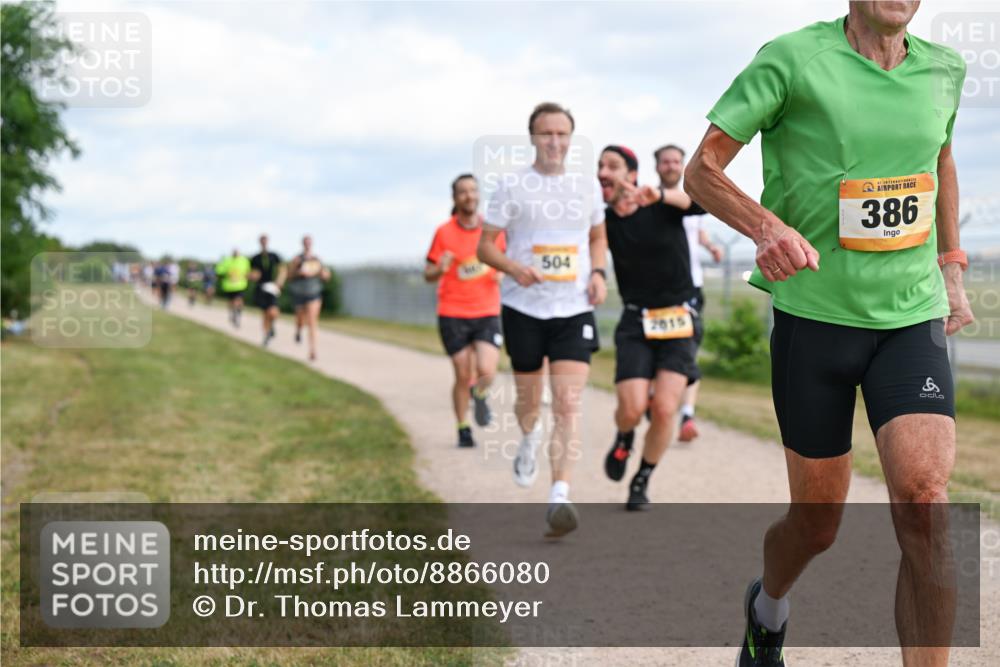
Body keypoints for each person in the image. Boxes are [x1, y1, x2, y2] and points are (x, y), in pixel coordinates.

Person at [684, 3, 971, 665]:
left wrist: (952, 267)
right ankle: (768, 604)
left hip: (909, 316)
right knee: (817, 523)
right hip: (814, 318)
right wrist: (766, 227)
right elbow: (701, 171)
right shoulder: (791, 59)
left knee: (926, 504)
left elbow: (942, 160)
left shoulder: (945, 71)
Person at [478, 102, 608, 538]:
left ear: (571, 138)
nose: (554, 141)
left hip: (572, 308)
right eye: (545, 133)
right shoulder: (512, 185)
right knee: (530, 402)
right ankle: (529, 437)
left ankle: (559, 495)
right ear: (532, 137)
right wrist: (514, 269)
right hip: (524, 307)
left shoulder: (586, 185)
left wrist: (597, 272)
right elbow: (485, 247)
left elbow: (597, 235)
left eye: (562, 133)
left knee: (568, 403)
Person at [599, 145, 704, 511]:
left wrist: (658, 194)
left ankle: (642, 478)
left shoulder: (660, 204)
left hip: (677, 317)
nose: (603, 171)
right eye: (599, 166)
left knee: (664, 409)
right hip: (635, 321)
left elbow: (700, 204)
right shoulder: (603, 222)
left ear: (631, 174)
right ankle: (625, 435)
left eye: (611, 165)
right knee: (630, 409)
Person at [425, 174, 506, 448]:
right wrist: (441, 267)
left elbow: (507, 261)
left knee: (486, 370)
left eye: (473, 190)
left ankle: (480, 394)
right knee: (462, 373)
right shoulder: (444, 232)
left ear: (479, 194)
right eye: (463, 192)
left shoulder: (493, 230)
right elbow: (428, 273)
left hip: (486, 310)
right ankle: (463, 428)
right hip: (453, 312)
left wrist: (501, 274)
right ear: (455, 198)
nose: (469, 196)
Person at [654, 144, 723, 442]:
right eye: (665, 161)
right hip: (656, 291)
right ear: (657, 166)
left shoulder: (690, 200)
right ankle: (658, 400)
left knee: (687, 353)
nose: (671, 166)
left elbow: (698, 229)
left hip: (690, 290)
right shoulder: (650, 201)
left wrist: (710, 246)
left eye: (676, 161)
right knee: (657, 352)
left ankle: (687, 415)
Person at [287, 235, 330, 361]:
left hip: (314, 293)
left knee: (312, 321)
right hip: (299, 294)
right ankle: (298, 330)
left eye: (309, 242)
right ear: (302, 244)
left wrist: (322, 274)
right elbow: (289, 275)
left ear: (312, 244)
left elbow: (326, 276)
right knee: (300, 319)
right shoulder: (297, 259)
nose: (307, 244)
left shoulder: (317, 259)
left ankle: (312, 350)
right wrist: (298, 272)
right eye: (305, 242)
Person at [250, 234, 286, 347]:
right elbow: (253, 273)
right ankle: (266, 335)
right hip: (261, 287)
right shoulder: (255, 258)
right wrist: (253, 276)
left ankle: (272, 325)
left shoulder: (274, 256)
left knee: (273, 311)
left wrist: (279, 282)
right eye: (262, 241)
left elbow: (282, 270)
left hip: (272, 286)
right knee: (265, 313)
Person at [215, 249, 251, 328]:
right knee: (232, 301)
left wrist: (247, 276)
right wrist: (227, 273)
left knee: (239, 300)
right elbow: (219, 270)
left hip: (240, 285)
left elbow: (248, 271)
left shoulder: (244, 260)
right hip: (229, 286)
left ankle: (237, 313)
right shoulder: (227, 260)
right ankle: (233, 312)